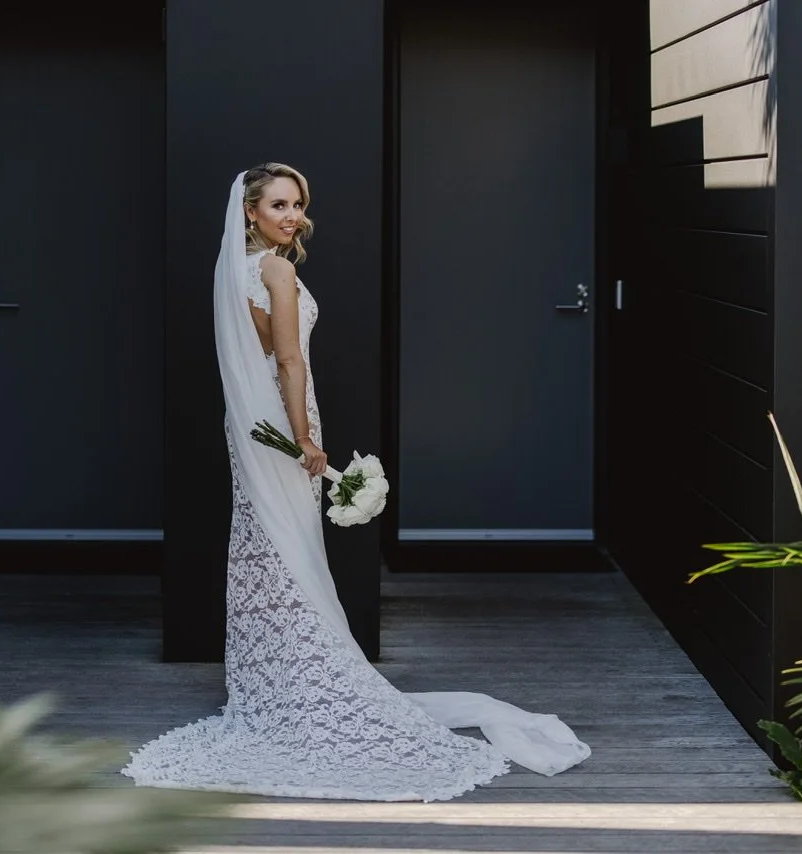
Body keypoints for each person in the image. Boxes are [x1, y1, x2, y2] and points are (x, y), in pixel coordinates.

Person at [122, 164, 590, 801]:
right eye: (279, 205)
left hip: (250, 427)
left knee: (269, 546)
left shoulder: (230, 268)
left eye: (299, 204)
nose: (292, 216)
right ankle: (312, 679)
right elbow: (289, 359)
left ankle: (279, 679)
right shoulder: (276, 270)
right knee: (290, 547)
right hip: (286, 421)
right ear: (251, 212)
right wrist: (306, 438)